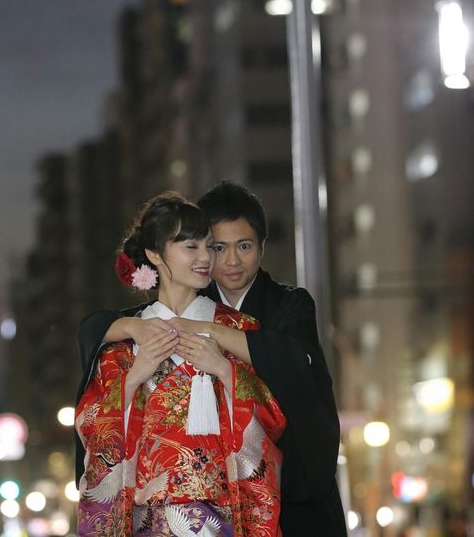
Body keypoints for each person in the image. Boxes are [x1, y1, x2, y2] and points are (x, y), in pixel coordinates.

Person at [78, 182, 347, 536]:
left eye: (243, 246)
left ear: (262, 245)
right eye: (211, 247)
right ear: (156, 255)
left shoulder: (253, 323)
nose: (219, 259)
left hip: (226, 517)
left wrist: (221, 362)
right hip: (148, 519)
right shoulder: (132, 334)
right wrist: (133, 371)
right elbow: (95, 418)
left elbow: (281, 391)